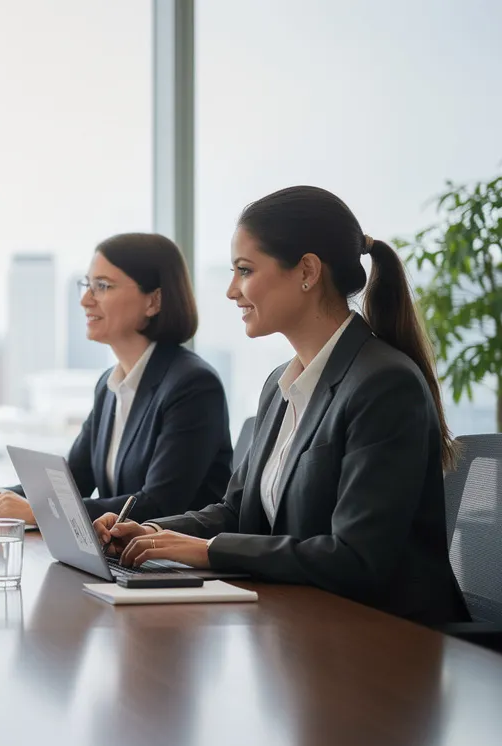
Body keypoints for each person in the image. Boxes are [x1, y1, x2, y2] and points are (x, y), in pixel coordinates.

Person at [95, 186, 469, 625]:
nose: (232, 290)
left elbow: (356, 557)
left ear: (307, 271)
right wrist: (158, 532)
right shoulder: (280, 384)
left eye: (245, 270)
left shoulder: (384, 384)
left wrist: (207, 551)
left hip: (384, 638)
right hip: (301, 623)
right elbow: (238, 511)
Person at [0, 233, 232, 525]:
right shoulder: (110, 386)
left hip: (178, 566)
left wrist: (43, 514)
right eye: (87, 285)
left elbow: (159, 505)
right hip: (124, 562)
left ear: (153, 301)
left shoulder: (192, 385)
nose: (85, 300)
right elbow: (70, 484)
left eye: (102, 286)